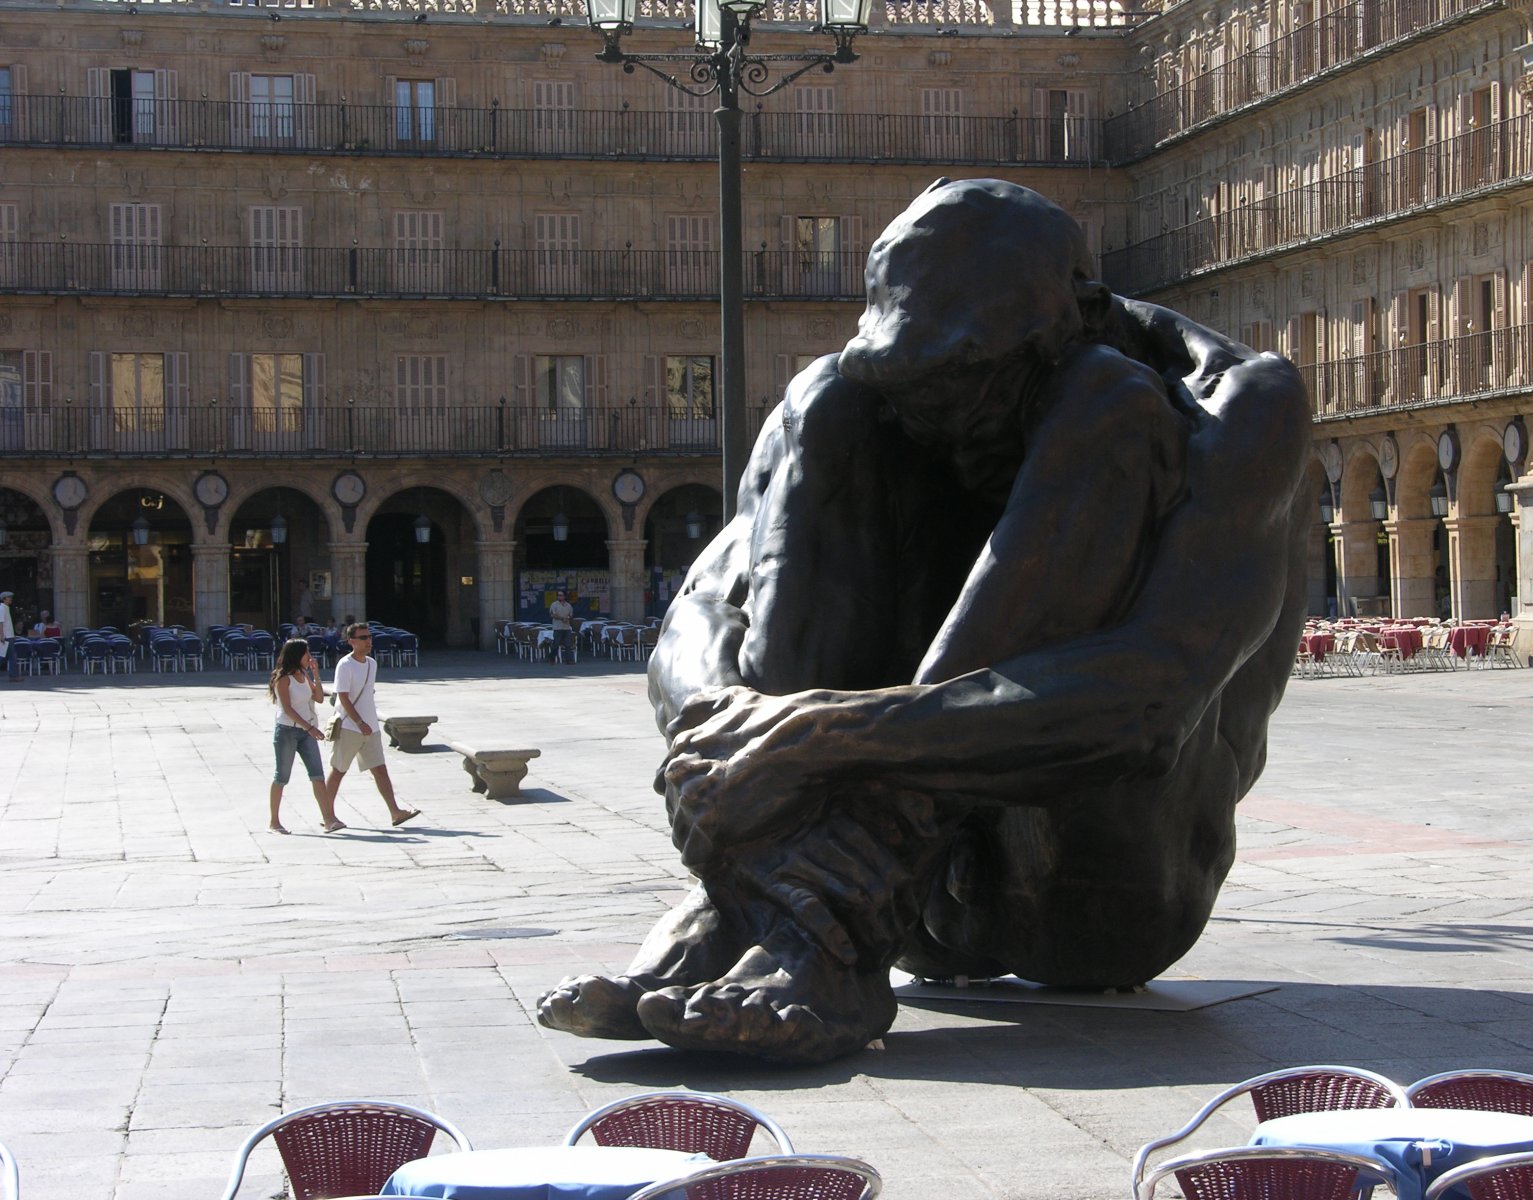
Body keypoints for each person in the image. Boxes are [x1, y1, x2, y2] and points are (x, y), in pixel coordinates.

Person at [537, 179, 1312, 1064]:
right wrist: (725, 731)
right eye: (911, 380)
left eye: (965, 379)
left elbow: (1146, 702)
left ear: (1082, 314)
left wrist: (814, 741)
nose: (934, 414)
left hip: (1096, 886)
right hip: (912, 913)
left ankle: (809, 930)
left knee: (1108, 407)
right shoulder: (875, 398)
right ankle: (783, 920)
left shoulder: (1233, 407)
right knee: (830, 399)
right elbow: (700, 614)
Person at [323, 620, 420, 829]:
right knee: (338, 770)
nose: (368, 641)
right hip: (350, 726)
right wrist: (359, 722)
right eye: (363, 638)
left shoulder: (371, 664)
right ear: (351, 641)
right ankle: (327, 815)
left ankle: (395, 812)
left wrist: (369, 722)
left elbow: (367, 692)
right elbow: (343, 697)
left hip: (371, 728)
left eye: (369, 637)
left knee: (380, 770)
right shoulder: (345, 665)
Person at [266, 638, 338, 834]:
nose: (310, 656)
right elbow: (288, 709)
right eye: (307, 653)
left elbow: (319, 698)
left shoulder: (304, 675)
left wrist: (315, 673)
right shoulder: (283, 678)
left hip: (307, 731)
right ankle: (274, 821)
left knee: (317, 775)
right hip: (288, 731)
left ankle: (329, 819)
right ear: (297, 655)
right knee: (282, 776)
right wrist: (310, 728)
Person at [548, 589, 575, 665]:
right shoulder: (554, 604)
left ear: (564, 596)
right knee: (556, 644)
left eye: (561, 595)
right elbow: (553, 614)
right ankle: (552, 659)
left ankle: (569, 659)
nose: (559, 597)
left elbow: (571, 614)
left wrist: (568, 618)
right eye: (558, 595)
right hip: (557, 627)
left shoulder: (568, 605)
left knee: (568, 644)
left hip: (566, 627)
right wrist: (561, 618)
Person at [0, 590, 15, 681]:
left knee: (8, 656)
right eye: (9, 597)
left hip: (9, 636)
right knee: (7, 656)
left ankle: (14, 675)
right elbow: (0, 622)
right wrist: (1, 635)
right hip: (6, 636)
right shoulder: (2, 608)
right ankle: (13, 676)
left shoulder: (6, 608)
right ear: (4, 599)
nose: (11, 599)